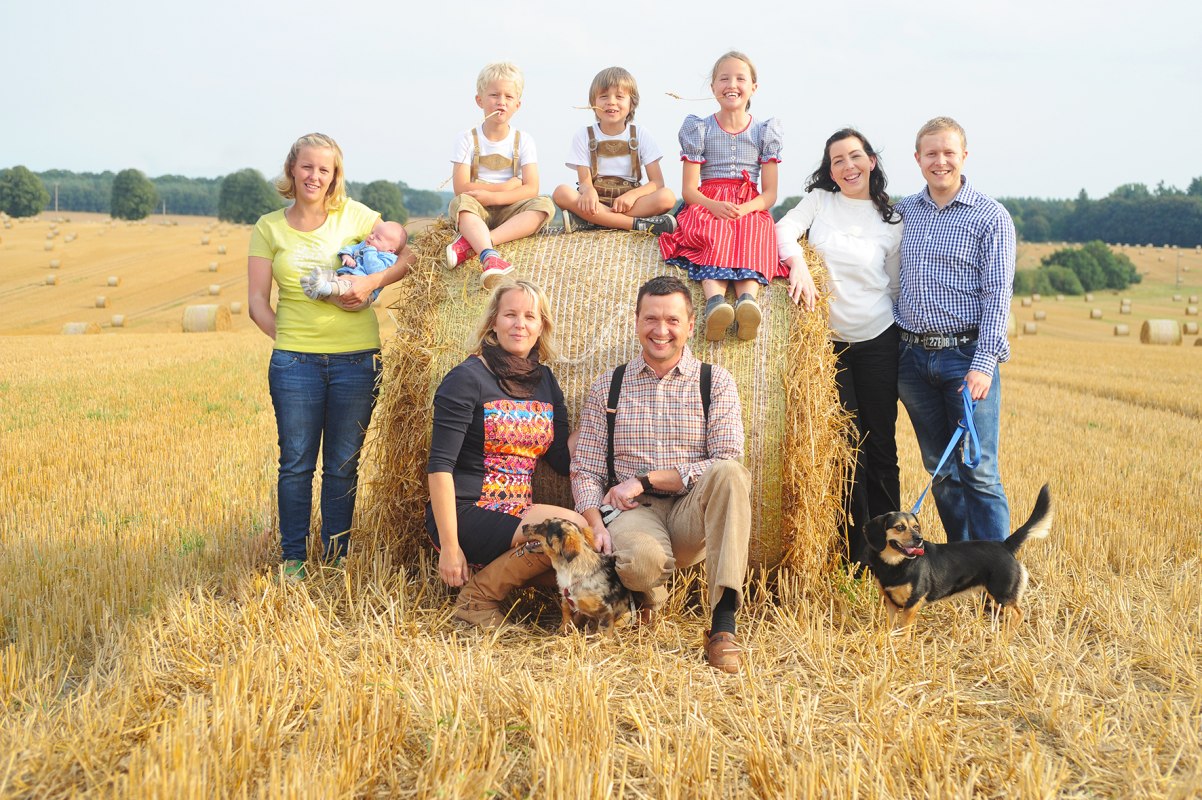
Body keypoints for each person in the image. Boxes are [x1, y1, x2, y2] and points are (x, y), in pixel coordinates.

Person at [248, 132, 415, 580]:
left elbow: (409, 254)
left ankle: (338, 556)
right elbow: (257, 303)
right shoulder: (269, 227)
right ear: (292, 169)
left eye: (324, 169)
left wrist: (369, 285)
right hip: (294, 362)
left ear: (334, 175)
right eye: (307, 166)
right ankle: (293, 559)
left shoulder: (357, 216)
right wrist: (287, 340)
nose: (314, 176)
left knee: (343, 464)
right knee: (297, 463)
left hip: (357, 360)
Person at [571, 275, 751, 673]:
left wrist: (648, 478)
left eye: (672, 320)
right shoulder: (608, 387)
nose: (661, 330)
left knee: (731, 474)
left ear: (690, 324)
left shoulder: (715, 382)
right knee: (641, 564)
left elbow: (725, 459)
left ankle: (723, 626)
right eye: (651, 318)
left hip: (692, 513)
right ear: (636, 321)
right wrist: (593, 522)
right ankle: (648, 593)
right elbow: (584, 468)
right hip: (634, 514)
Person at [426, 279, 588, 628]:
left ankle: (572, 608)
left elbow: (559, 458)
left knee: (584, 533)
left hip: (517, 508)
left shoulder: (545, 380)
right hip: (467, 509)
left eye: (530, 316)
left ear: (541, 325)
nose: (520, 324)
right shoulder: (466, 377)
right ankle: (476, 600)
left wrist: (597, 421)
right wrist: (451, 547)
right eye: (510, 314)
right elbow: (440, 467)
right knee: (566, 532)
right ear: (493, 323)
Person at [776, 128, 903, 565]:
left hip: (879, 339)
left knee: (881, 447)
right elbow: (782, 231)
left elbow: (896, 283)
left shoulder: (891, 219)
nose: (847, 166)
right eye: (837, 160)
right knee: (846, 449)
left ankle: (892, 552)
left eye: (854, 156)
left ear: (871, 160)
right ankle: (849, 553)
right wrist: (798, 265)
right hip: (829, 346)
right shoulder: (819, 202)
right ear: (829, 170)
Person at [894, 116, 1016, 542]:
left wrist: (984, 364)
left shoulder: (991, 217)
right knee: (940, 470)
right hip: (911, 361)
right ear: (918, 159)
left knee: (979, 472)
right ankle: (963, 566)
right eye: (931, 153)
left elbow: (998, 294)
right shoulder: (902, 212)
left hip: (966, 358)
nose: (940, 161)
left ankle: (998, 579)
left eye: (949, 152)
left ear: (964, 156)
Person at [658, 51, 786, 342]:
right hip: (708, 200)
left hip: (749, 201)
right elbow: (689, 191)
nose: (732, 84)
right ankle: (715, 302)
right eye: (723, 78)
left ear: (754, 87)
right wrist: (713, 205)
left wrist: (746, 209)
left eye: (741, 78)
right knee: (713, 231)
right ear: (713, 88)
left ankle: (747, 302)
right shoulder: (699, 128)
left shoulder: (763, 131)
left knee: (757, 228)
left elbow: (770, 194)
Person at [445, 62, 556, 290]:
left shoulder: (523, 140)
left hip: (510, 210)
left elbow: (532, 188)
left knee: (545, 206)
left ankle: (476, 243)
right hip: (477, 209)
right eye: (494, 95)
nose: (501, 102)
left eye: (508, 96)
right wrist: (507, 187)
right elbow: (461, 187)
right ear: (480, 100)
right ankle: (488, 256)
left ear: (518, 104)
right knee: (460, 204)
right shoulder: (467, 139)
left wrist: (496, 197)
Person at [552, 66, 677, 235]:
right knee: (560, 193)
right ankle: (637, 225)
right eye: (603, 96)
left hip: (629, 203)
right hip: (596, 200)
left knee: (667, 197)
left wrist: (632, 195)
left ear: (631, 103)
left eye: (619, 96)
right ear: (593, 103)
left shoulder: (640, 134)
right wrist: (588, 192)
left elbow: (657, 183)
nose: (611, 101)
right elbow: (584, 182)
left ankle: (593, 221)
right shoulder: (584, 135)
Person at [300, 219, 408, 303]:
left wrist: (369, 251)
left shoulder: (388, 258)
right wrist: (346, 256)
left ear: (390, 250)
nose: (371, 237)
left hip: (359, 291)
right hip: (344, 274)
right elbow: (351, 248)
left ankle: (323, 287)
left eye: (377, 238)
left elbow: (375, 270)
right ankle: (314, 290)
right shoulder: (365, 244)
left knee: (343, 285)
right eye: (372, 233)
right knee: (330, 275)